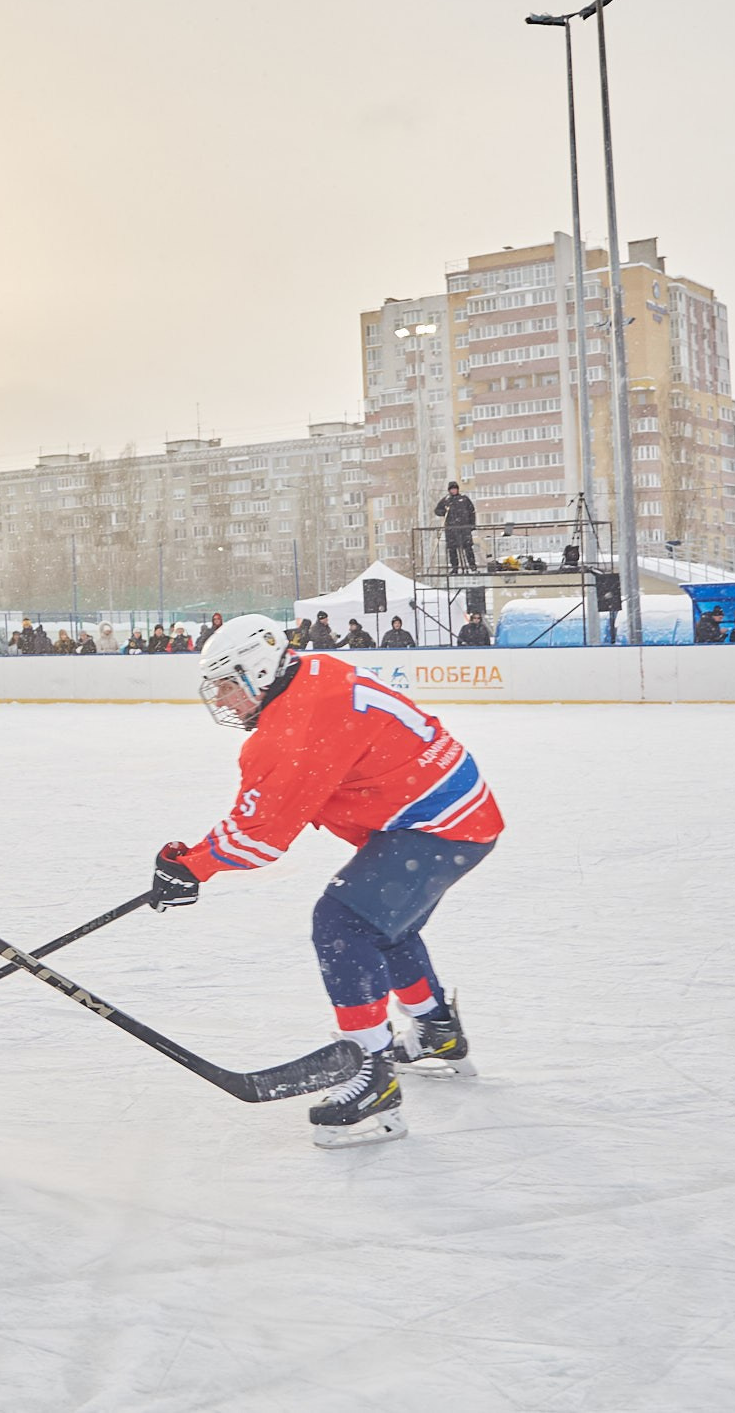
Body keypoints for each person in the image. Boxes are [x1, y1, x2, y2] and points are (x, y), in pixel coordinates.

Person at [144, 618, 504, 1148]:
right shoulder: (313, 672)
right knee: (384, 924)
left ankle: (369, 1075)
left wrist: (190, 866)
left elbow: (258, 837)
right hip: (455, 818)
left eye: (228, 683)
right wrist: (194, 861)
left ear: (261, 671)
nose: (221, 698)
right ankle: (435, 1032)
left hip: (437, 829)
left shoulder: (293, 728)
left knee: (343, 922)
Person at [432, 482, 477, 573]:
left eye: (455, 489)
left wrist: (472, 525)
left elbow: (472, 511)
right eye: (452, 489)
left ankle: (472, 566)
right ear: (449, 490)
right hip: (451, 530)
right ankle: (455, 567)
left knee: (468, 548)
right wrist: (444, 511)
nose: (453, 490)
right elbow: (437, 511)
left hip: (464, 529)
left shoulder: (464, 499)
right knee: (452, 550)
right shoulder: (446, 500)